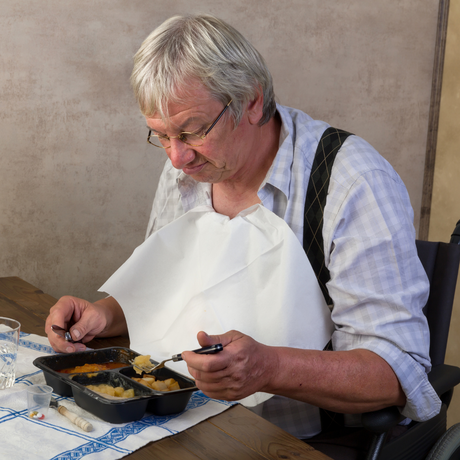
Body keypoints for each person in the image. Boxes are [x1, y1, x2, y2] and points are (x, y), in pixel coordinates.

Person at [45, 14, 439, 455]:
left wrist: (267, 368)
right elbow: (175, 293)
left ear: (251, 102)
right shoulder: (193, 168)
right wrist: (104, 313)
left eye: (192, 131)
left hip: (298, 441)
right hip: (182, 421)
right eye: (161, 136)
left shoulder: (353, 182)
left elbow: (395, 373)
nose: (177, 159)